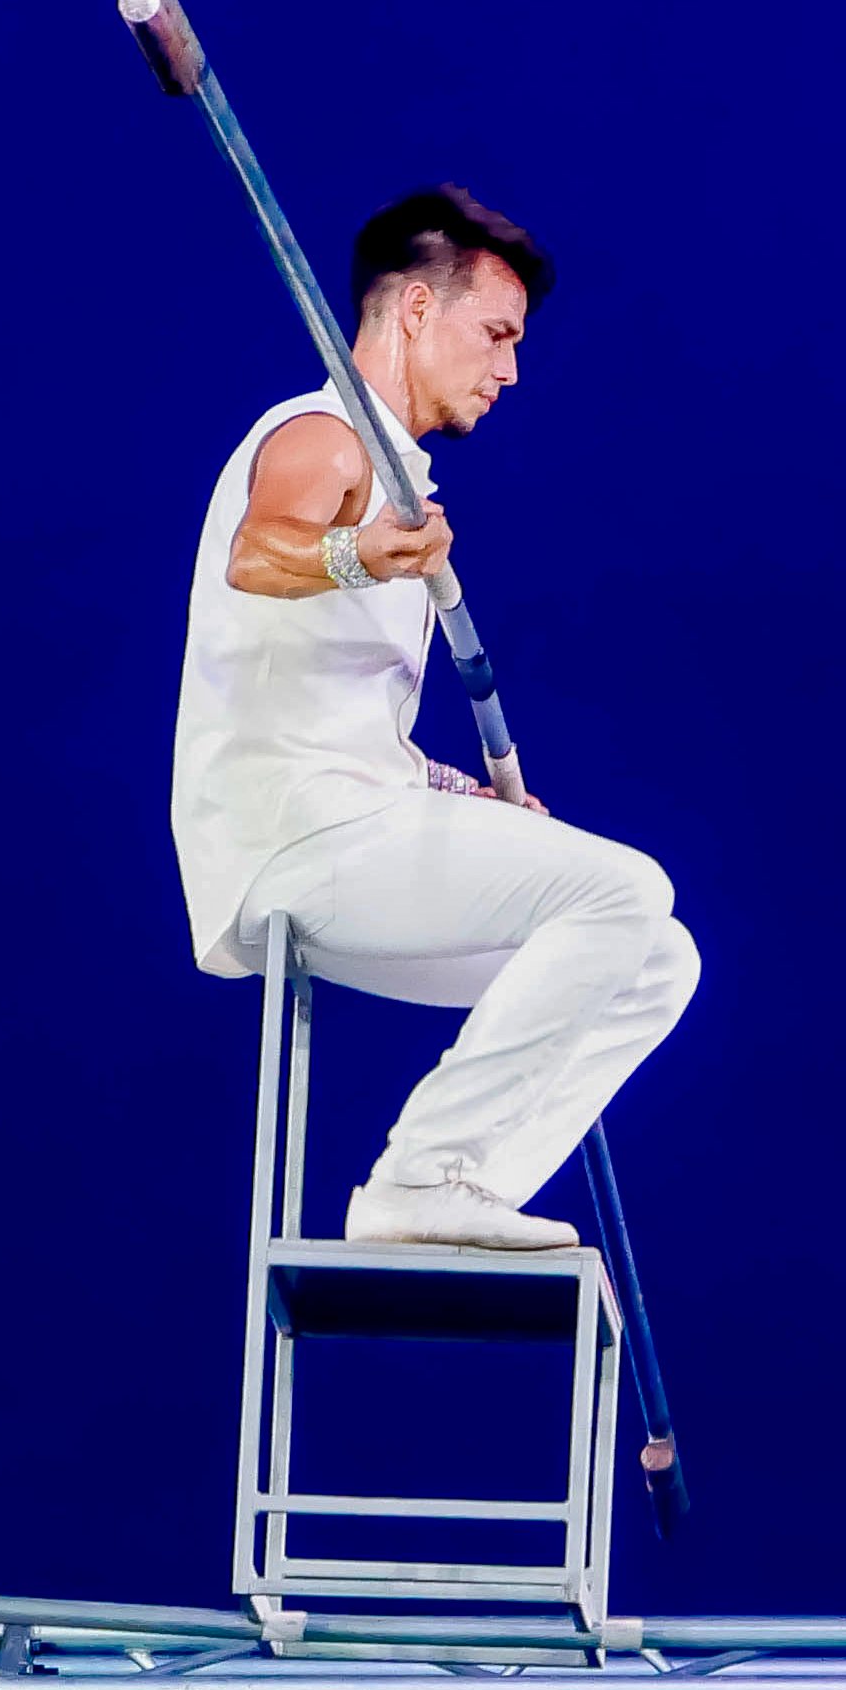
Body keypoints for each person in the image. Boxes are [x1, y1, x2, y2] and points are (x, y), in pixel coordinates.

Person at [168, 183, 700, 1250]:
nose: (511, 369)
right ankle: (419, 1177)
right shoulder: (323, 436)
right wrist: (359, 553)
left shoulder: (398, 476)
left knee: (656, 955)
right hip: (296, 837)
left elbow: (367, 731)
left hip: (353, 815)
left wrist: (471, 794)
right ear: (414, 310)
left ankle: (466, 1192)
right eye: (496, 334)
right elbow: (257, 556)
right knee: (627, 888)